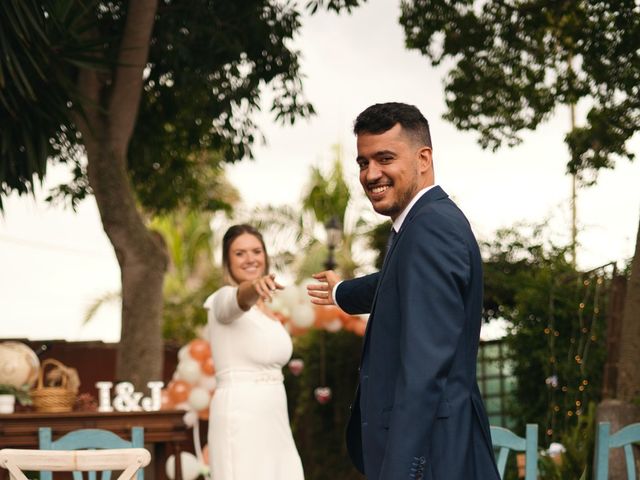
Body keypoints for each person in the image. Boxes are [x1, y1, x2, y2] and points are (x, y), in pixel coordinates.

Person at [307, 103, 500, 480]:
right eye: (363, 162)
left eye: (385, 158)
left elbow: (423, 372)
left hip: (433, 459)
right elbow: (398, 283)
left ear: (423, 158)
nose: (371, 174)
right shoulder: (422, 223)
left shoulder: (430, 230)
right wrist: (343, 291)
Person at [203, 224, 304, 480]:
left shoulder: (268, 311)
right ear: (227, 261)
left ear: (265, 257)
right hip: (240, 416)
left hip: (274, 415)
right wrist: (253, 286)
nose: (250, 259)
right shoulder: (222, 299)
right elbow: (237, 300)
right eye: (240, 253)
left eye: (256, 251)